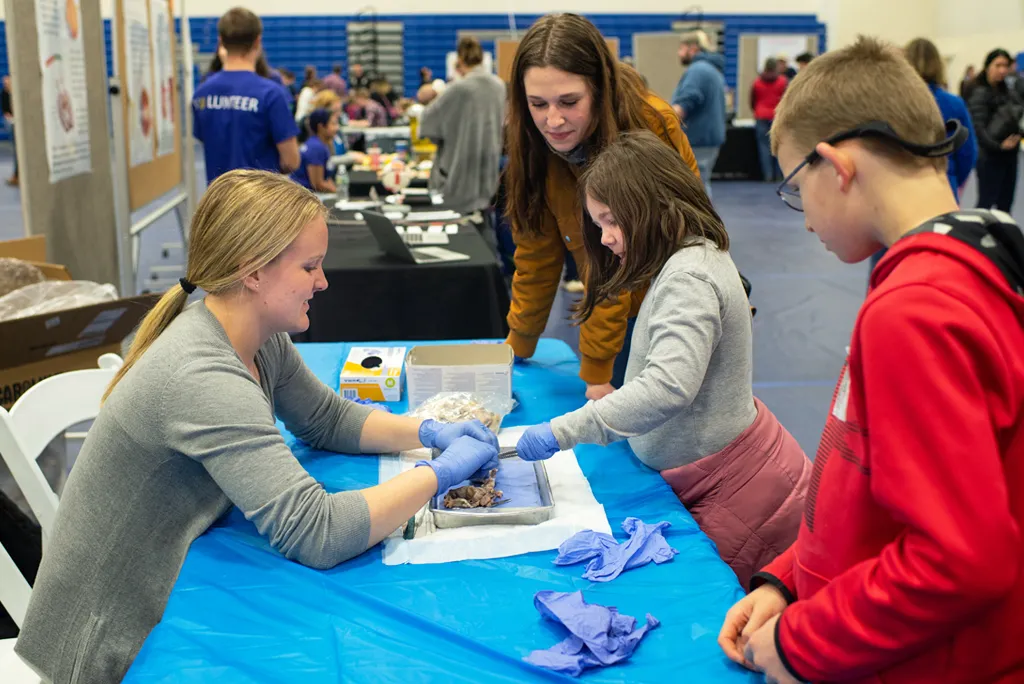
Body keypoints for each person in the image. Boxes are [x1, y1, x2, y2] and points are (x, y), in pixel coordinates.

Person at [13, 170, 501, 683]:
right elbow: (318, 532)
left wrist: (424, 432)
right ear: (252, 272)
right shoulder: (201, 375)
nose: (323, 281)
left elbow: (323, 418)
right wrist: (438, 476)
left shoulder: (252, 333)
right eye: (310, 266)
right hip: (100, 645)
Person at [719, 37, 1024, 683]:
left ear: (838, 166)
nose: (804, 222)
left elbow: (961, 560)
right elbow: (870, 494)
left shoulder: (912, 313)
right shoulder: (981, 261)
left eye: (798, 188)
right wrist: (793, 579)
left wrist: (804, 641)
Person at [515, 130, 810, 588]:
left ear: (651, 204)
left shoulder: (688, 276)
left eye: (612, 221)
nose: (608, 238)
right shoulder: (690, 258)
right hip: (719, 476)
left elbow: (668, 387)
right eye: (599, 226)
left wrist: (562, 432)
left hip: (735, 490)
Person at [503, 13, 699, 399]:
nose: (553, 120)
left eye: (569, 101)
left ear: (599, 89)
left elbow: (624, 264)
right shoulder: (534, 138)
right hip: (613, 303)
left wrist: (596, 371)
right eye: (537, 103)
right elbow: (536, 252)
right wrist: (517, 345)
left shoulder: (648, 127)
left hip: (665, 306)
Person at [869, 38, 980, 272]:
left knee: (887, 260)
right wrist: (953, 182)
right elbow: (968, 152)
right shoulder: (953, 103)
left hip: (892, 188)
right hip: (940, 189)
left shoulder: (886, 103)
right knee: (935, 259)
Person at [192, 9, 299, 183]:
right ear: (258, 41)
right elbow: (291, 161)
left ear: (221, 42)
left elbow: (207, 141)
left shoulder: (201, 94)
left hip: (219, 200)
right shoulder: (271, 94)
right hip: (260, 201)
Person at [419, 36, 506, 216]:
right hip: (488, 170)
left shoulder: (457, 89)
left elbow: (427, 122)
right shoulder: (499, 86)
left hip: (459, 174)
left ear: (458, 61)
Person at [671, 30, 726, 198]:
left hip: (697, 140)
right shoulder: (711, 70)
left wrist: (663, 121)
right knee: (701, 184)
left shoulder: (698, 70)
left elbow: (688, 100)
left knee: (696, 189)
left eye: (681, 48)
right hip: (708, 139)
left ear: (692, 48)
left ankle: (702, 224)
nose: (678, 53)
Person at [969, 48, 1021, 212]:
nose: (1002, 70)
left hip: (1010, 157)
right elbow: (978, 128)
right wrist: (999, 146)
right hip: (989, 158)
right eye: (998, 65)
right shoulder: (979, 93)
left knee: (1005, 206)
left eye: (1005, 65)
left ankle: (1002, 237)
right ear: (987, 67)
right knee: (985, 204)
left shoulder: (1010, 92)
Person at [751, 57, 788, 182]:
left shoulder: (757, 82)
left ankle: (767, 175)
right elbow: (786, 99)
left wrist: (757, 110)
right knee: (779, 147)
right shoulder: (783, 81)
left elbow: (752, 100)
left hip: (761, 116)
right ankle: (779, 175)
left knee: (763, 147)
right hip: (777, 116)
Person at [291, 109, 338, 192]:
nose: (337, 128)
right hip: (303, 195)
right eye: (333, 124)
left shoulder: (320, 144)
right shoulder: (316, 148)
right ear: (321, 127)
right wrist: (338, 191)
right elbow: (317, 184)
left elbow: (326, 178)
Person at [2, 74, 16, 186]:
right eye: (4, 83)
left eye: (7, 83)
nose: (6, 85)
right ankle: (15, 175)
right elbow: (5, 109)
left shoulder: (16, 93)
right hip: (11, 120)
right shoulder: (4, 94)